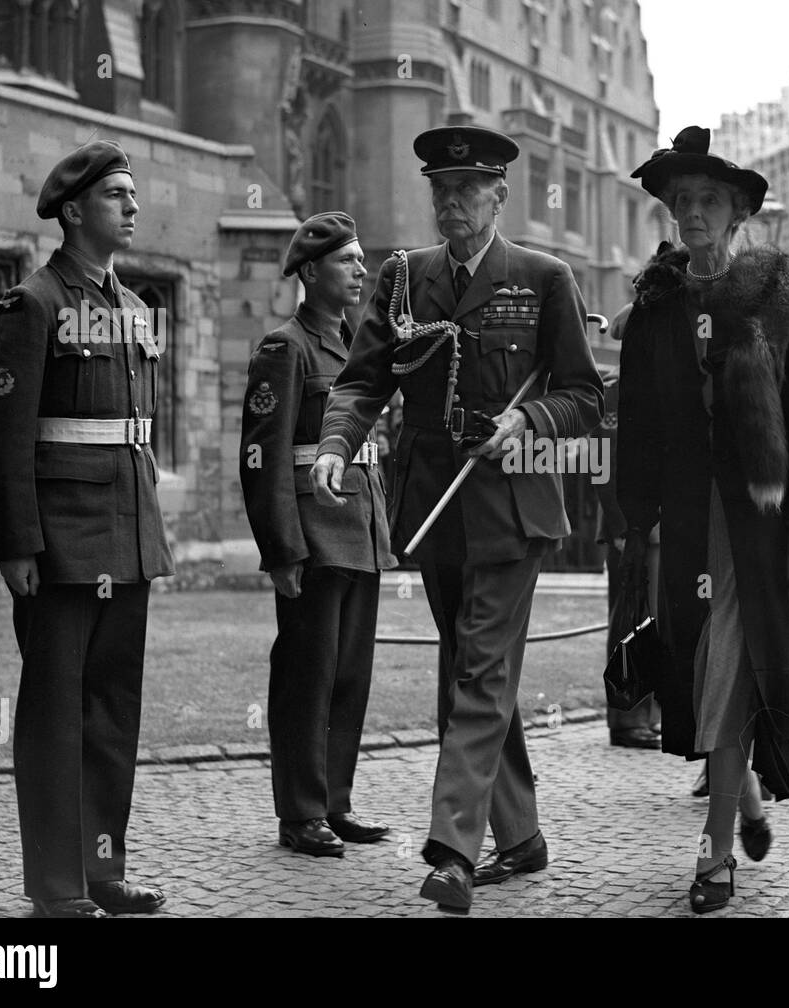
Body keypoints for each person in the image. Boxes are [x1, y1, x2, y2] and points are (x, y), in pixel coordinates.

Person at [310, 125, 603, 912]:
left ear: (500, 195)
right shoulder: (406, 278)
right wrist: (338, 442)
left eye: (468, 191)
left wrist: (531, 421)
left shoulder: (544, 279)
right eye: (440, 191)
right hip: (434, 507)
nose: (452, 205)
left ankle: (451, 853)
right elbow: (362, 380)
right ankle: (524, 835)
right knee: (473, 668)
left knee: (475, 671)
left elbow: (584, 395)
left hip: (511, 509)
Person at [617, 126, 789, 913]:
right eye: (681, 201)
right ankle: (740, 791)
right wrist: (629, 512)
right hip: (684, 523)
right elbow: (636, 424)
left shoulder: (778, 302)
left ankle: (713, 858)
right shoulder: (656, 307)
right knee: (694, 664)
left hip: (756, 522)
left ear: (740, 211)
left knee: (740, 666)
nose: (692, 212)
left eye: (708, 200)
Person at [0, 141, 172, 918]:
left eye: (133, 193)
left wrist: (149, 537)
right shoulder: (34, 305)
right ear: (74, 210)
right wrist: (16, 544)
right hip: (59, 547)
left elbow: (132, 434)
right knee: (56, 716)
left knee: (112, 713)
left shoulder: (130, 308)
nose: (131, 206)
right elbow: (1, 437)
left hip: (126, 539)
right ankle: (56, 885)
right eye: (117, 194)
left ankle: (101, 869)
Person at [239, 212, 395, 858]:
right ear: (309, 273)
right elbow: (263, 456)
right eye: (345, 261)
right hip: (311, 534)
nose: (361, 270)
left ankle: (335, 800)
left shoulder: (359, 348)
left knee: (350, 675)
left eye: (361, 259)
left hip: (359, 527)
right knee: (308, 674)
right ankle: (300, 812)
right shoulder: (286, 348)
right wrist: (281, 549)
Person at [596, 314, 662, 750]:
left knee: (653, 621)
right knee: (630, 622)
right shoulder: (615, 393)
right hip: (629, 529)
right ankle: (627, 719)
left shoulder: (662, 387)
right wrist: (622, 527)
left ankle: (650, 713)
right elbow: (603, 466)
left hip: (661, 527)